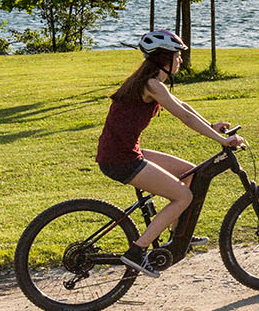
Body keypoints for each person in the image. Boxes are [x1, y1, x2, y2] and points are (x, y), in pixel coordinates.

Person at [96, 30, 244, 276]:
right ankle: (137, 252)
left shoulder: (152, 82)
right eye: (177, 55)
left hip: (124, 151)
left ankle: (178, 236)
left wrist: (211, 126)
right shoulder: (152, 85)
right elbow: (184, 117)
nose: (181, 60)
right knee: (183, 197)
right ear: (165, 58)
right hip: (120, 159)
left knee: (190, 172)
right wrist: (221, 140)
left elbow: (183, 106)